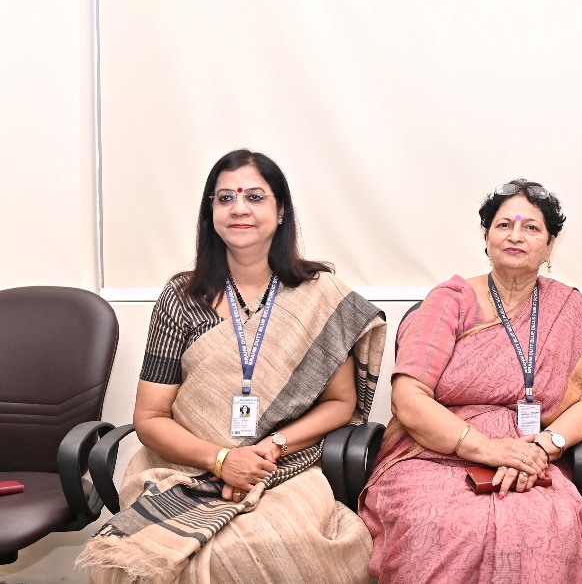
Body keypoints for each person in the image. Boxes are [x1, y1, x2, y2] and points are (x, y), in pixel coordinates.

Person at [78, 149, 386, 584]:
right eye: (225, 198)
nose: (239, 208)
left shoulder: (320, 295)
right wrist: (222, 459)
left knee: (278, 547)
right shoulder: (182, 299)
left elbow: (340, 402)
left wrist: (272, 447)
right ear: (211, 213)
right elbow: (149, 416)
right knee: (134, 558)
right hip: (181, 465)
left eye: (255, 197)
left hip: (282, 466)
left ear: (281, 211)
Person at [359, 179, 582, 583]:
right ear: (487, 236)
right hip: (434, 453)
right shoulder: (449, 301)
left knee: (543, 524)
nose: (515, 235)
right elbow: (408, 397)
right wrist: (486, 448)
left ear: (550, 246)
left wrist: (543, 447)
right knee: (439, 525)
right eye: (504, 225)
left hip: (531, 455)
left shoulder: (571, 309)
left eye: (531, 227)